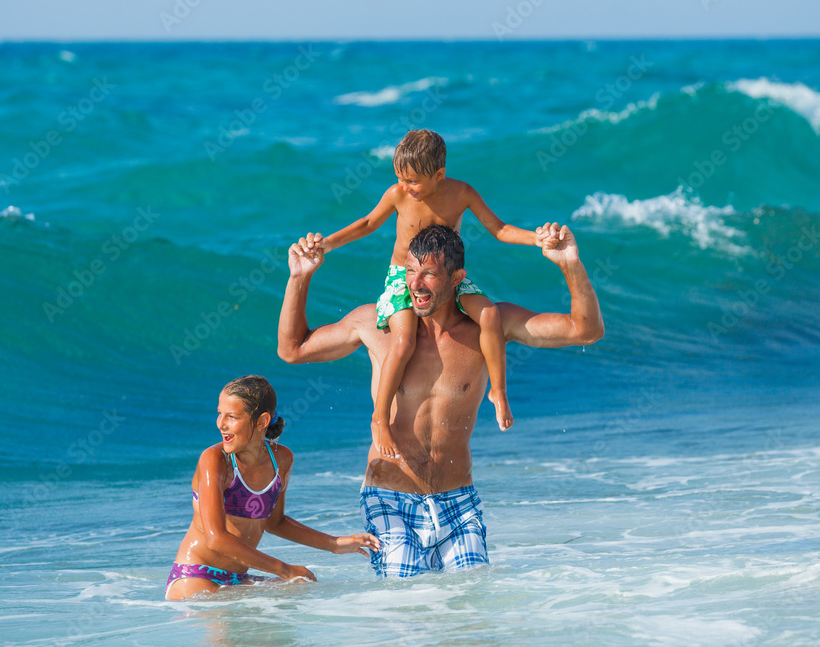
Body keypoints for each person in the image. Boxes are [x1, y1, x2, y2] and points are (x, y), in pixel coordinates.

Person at [277, 223, 603, 578]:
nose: (416, 284)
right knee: (407, 607)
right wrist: (299, 278)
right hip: (390, 497)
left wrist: (569, 263)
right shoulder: (376, 325)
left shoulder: (489, 327)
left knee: (469, 609)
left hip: (458, 501)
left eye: (429, 274)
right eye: (411, 272)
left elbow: (585, 330)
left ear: (456, 277)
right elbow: (292, 350)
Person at [316, 129, 545, 460]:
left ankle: (498, 391)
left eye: (413, 181)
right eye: (400, 179)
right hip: (403, 278)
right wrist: (327, 244)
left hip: (446, 277)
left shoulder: (462, 193)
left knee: (490, 315)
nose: (405, 187)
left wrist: (537, 239)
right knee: (403, 340)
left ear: (439, 175)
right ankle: (379, 418)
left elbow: (499, 229)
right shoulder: (398, 194)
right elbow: (367, 223)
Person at [166, 375, 381, 600]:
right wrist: (285, 570)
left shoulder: (282, 459)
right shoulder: (215, 460)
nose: (221, 423)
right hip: (196, 575)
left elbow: (274, 522)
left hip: (238, 579)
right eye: (220, 414)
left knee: (306, 588)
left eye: (232, 416)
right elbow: (216, 539)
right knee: (234, 628)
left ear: (262, 421)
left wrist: (335, 544)